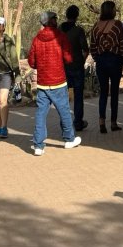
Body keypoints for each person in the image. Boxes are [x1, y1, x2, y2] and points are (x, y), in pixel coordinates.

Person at [26, 11, 82, 155]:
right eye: (55, 18)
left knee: (40, 113)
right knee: (64, 110)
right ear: (51, 21)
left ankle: (38, 145)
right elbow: (68, 58)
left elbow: (32, 62)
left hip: (43, 83)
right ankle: (69, 139)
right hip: (58, 81)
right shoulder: (60, 36)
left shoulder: (36, 39)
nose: (57, 20)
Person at [89, 0, 123, 133]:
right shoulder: (117, 25)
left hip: (101, 62)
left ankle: (101, 123)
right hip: (115, 60)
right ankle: (113, 123)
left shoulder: (95, 27)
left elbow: (92, 47)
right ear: (112, 10)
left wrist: (97, 58)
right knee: (115, 93)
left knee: (103, 93)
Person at [61, 4, 90, 131]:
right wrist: (82, 61)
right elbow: (85, 49)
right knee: (78, 96)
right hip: (77, 66)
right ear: (76, 16)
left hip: (62, 67)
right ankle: (78, 122)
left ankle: (64, 123)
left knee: (63, 96)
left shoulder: (59, 29)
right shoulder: (78, 31)